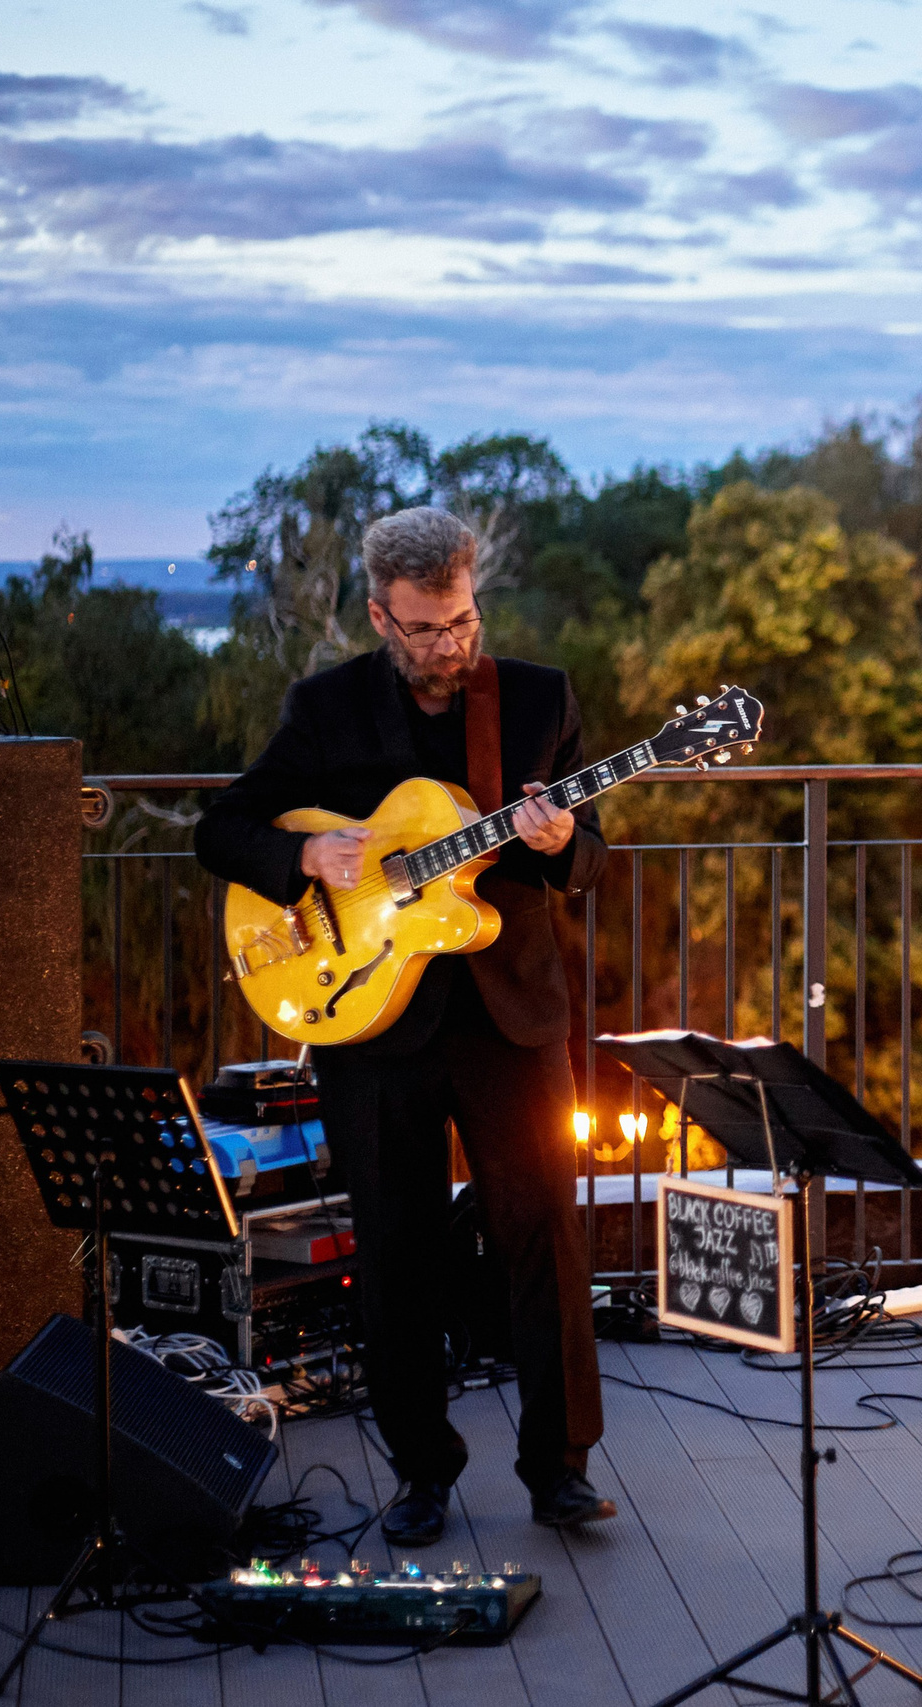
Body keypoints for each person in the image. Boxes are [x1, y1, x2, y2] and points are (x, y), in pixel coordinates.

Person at [197, 507, 615, 1545]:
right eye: (425, 629)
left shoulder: (536, 699)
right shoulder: (327, 710)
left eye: (463, 622)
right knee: (393, 1254)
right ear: (381, 615)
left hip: (509, 1017)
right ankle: (421, 1472)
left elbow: (591, 859)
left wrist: (562, 839)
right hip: (371, 1025)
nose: (448, 646)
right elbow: (223, 828)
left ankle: (559, 1468)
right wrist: (304, 861)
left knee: (545, 1238)